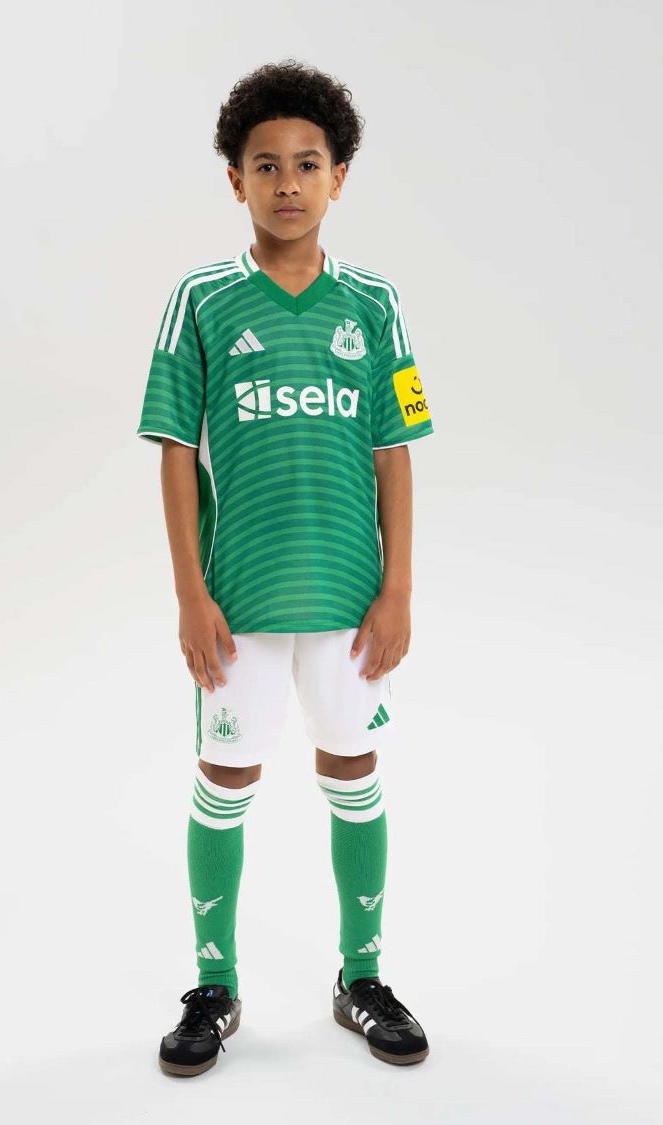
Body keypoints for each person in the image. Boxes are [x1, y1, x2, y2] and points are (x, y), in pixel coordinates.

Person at [135, 59, 435, 1076]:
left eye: (309, 163)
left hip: (350, 599)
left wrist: (397, 588)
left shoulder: (376, 304)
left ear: (339, 177)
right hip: (240, 601)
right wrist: (190, 593)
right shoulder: (203, 299)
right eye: (266, 165)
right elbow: (176, 453)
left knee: (353, 769)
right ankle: (214, 986)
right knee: (226, 776)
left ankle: (364, 976)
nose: (289, 182)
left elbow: (395, 449)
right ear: (237, 181)